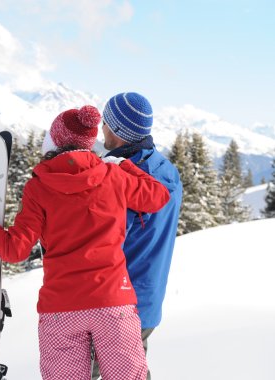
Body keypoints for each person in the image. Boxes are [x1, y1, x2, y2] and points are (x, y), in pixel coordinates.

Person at [0, 105, 170, 380]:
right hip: (113, 303)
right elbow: (158, 197)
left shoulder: (38, 187)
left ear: (55, 141)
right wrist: (124, 165)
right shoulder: (115, 177)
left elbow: (14, 250)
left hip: (61, 309)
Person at [91, 92, 183, 380]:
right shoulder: (164, 169)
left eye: (105, 122)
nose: (100, 129)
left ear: (117, 131)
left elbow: (101, 240)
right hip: (147, 297)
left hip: (119, 303)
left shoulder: (127, 182)